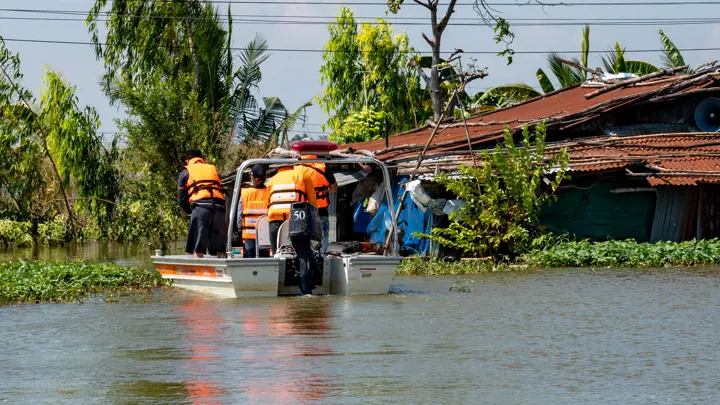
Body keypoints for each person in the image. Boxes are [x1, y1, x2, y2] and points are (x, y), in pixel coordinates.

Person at [266, 164, 317, 295]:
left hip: (275, 222)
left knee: (277, 254)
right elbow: (312, 203)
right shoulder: (302, 174)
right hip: (297, 219)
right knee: (303, 255)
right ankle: (305, 290)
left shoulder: (271, 180)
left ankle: (275, 289)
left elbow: (268, 203)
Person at [177, 150, 227, 258]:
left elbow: (181, 200)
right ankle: (224, 271)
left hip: (201, 207)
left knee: (198, 248)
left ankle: (197, 269)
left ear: (187, 161)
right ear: (201, 158)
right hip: (219, 207)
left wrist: (191, 212)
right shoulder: (212, 168)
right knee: (220, 249)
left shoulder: (185, 172)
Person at [298, 155, 338, 253]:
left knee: (302, 237)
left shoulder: (297, 169)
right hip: (321, 211)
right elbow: (334, 189)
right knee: (322, 238)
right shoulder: (324, 168)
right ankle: (322, 260)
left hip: (302, 211)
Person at [236, 164, 270, 258]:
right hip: (264, 235)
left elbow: (239, 214)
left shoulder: (245, 192)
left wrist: (239, 229)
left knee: (249, 262)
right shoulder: (269, 192)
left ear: (252, 176)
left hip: (248, 234)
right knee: (264, 261)